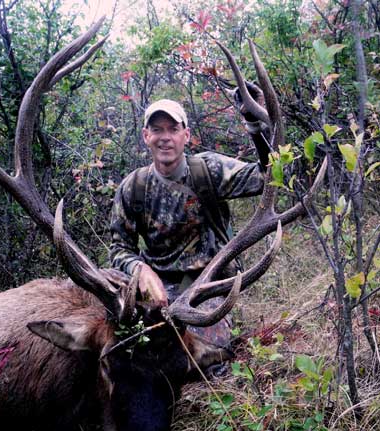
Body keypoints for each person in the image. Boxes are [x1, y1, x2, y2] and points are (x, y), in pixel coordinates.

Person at [109, 92, 269, 375]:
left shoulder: (208, 171)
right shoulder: (133, 187)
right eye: (157, 130)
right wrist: (140, 270)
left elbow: (269, 174)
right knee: (118, 347)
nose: (165, 137)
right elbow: (119, 248)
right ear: (146, 136)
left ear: (186, 135)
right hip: (155, 288)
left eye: (173, 129)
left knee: (208, 361)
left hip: (207, 285)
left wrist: (257, 127)